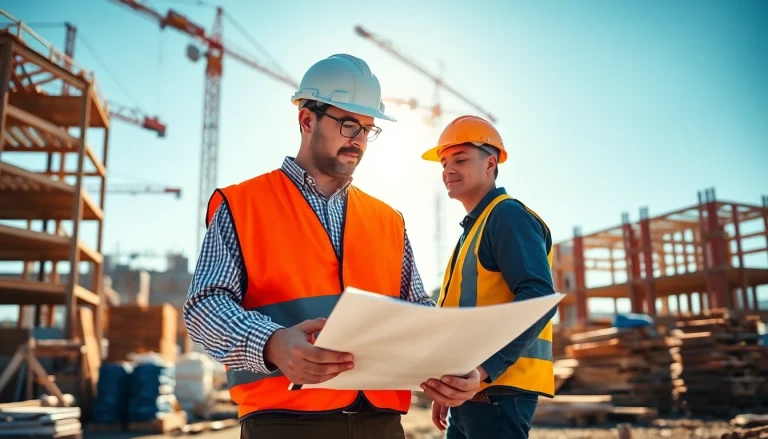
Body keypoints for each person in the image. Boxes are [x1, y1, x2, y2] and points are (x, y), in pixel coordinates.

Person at [184, 54, 481, 439]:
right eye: (347, 124)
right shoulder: (243, 205)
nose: (358, 139)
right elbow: (204, 306)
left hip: (382, 424)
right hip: (284, 423)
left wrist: (451, 363)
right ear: (307, 121)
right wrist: (272, 343)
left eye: (367, 129)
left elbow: (416, 310)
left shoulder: (387, 219)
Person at [420, 115, 558, 439]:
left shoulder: (506, 216)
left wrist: (483, 370)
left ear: (490, 163)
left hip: (498, 392)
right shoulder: (474, 228)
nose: (448, 170)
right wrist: (448, 382)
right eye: (443, 162)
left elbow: (539, 298)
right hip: (471, 391)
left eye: (460, 159)